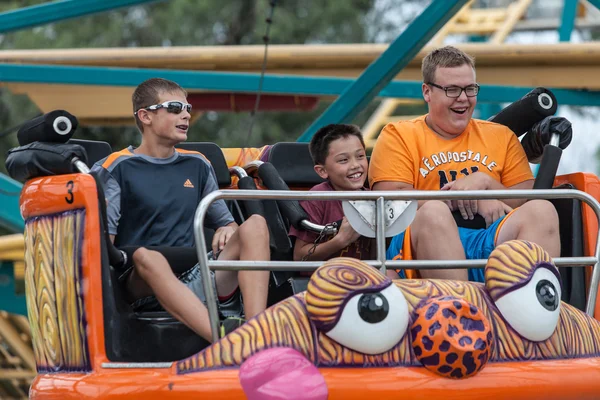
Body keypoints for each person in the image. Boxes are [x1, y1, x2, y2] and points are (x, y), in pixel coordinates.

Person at [92, 77, 270, 342]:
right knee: (148, 258)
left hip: (194, 273)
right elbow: (103, 247)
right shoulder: (115, 167)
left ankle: (259, 334)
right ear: (145, 116)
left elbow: (227, 224)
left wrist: (226, 227)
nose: (186, 114)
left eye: (188, 108)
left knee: (256, 224)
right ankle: (225, 343)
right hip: (140, 283)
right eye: (175, 108)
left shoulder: (198, 164)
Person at [368, 45, 560, 282]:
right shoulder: (398, 135)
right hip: (422, 247)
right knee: (434, 213)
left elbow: (528, 198)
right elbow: (391, 203)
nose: (463, 98)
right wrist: (470, 197)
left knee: (543, 211)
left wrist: (486, 184)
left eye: (470, 89)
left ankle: (531, 310)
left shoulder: (501, 136)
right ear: (427, 92)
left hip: (490, 241)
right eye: (452, 89)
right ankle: (460, 312)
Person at [289, 123, 398, 279]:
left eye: (360, 156)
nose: (355, 165)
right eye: (343, 160)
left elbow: (378, 257)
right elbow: (299, 257)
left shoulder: (375, 199)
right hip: (325, 279)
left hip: (364, 277)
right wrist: (340, 240)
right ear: (322, 171)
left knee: (392, 275)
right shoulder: (317, 199)